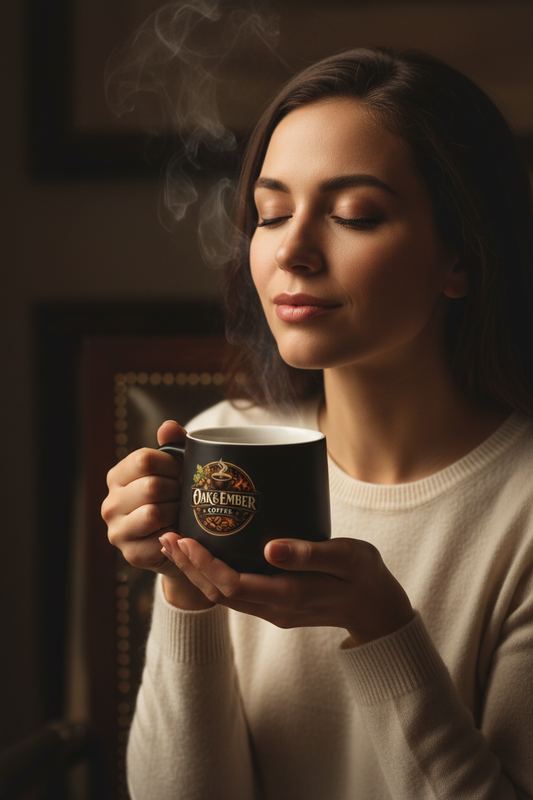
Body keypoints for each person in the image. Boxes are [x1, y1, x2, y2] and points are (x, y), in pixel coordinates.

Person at [102, 46, 533, 799]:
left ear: (460, 258)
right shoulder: (223, 444)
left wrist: (382, 627)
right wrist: (184, 590)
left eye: (353, 216)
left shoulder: (519, 510)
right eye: (272, 214)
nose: (292, 252)